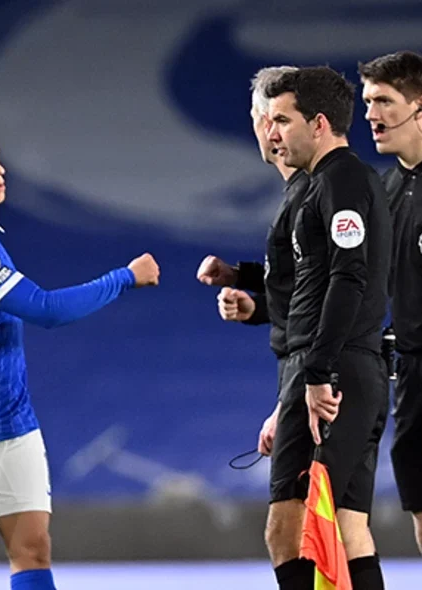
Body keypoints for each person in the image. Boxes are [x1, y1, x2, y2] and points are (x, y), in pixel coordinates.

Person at [0, 119, 157, 590]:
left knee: (33, 548)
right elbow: (45, 310)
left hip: (13, 419)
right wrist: (124, 277)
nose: (0, 170)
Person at [264, 66, 390, 590]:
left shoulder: (341, 179)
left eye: (282, 121)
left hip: (334, 371)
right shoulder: (327, 184)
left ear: (318, 124)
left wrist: (316, 374)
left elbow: (349, 276)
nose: (272, 134)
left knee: (294, 532)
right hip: (343, 367)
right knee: (337, 525)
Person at [195, 66, 308, 461]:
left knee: (298, 519)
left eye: (279, 119)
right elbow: (302, 288)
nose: (269, 130)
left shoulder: (317, 196)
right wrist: (250, 294)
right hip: (319, 379)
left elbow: (327, 307)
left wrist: (291, 404)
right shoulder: (305, 194)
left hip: (318, 384)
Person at [360, 49, 422, 555]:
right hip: (414, 374)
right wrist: (254, 291)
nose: (371, 115)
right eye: (366, 102)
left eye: (383, 100)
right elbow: (348, 283)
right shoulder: (385, 190)